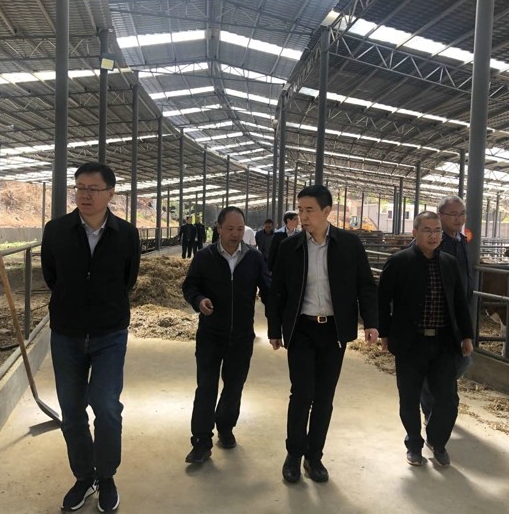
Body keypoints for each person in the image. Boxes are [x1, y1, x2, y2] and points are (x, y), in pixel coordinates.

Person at [41, 161, 140, 512]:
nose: (84, 194)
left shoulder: (126, 234)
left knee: (107, 407)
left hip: (109, 333)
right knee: (71, 410)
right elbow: (52, 276)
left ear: (110, 193)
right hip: (66, 333)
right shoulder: (56, 230)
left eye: (93, 189)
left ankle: (107, 475)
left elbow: (128, 279)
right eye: (79, 187)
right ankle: (84, 477)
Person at [268, 185, 378, 484]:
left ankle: (314, 457)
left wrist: (371, 322)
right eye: (300, 210)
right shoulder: (289, 247)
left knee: (324, 397)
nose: (302, 216)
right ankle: (294, 454)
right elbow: (277, 291)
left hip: (333, 331)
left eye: (309, 210)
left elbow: (366, 285)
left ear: (327, 211)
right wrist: (274, 328)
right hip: (301, 329)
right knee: (301, 393)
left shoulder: (349, 245)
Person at [377, 211, 473, 467]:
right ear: (415, 233)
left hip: (443, 343)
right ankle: (413, 443)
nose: (433, 235)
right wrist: (385, 333)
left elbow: (459, 303)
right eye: (427, 230)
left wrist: (466, 335)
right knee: (409, 397)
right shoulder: (399, 261)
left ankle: (437, 440)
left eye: (437, 230)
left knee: (448, 399)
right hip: (411, 343)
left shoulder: (450, 263)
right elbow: (382, 300)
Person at [182, 206, 271, 464]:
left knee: (234, 386)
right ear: (219, 229)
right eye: (230, 228)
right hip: (210, 334)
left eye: (240, 229)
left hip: (242, 336)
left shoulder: (254, 258)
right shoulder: (205, 256)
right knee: (206, 387)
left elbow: (268, 290)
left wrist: (279, 320)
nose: (235, 234)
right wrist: (199, 300)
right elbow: (190, 286)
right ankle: (201, 440)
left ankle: (225, 426)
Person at [420, 196, 474, 420]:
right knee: (441, 364)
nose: (459, 219)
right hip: (437, 315)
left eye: (462, 214)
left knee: (462, 360)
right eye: (453, 214)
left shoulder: (461, 241)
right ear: (440, 215)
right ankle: (430, 408)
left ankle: (438, 402)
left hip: (458, 314)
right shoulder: (433, 242)